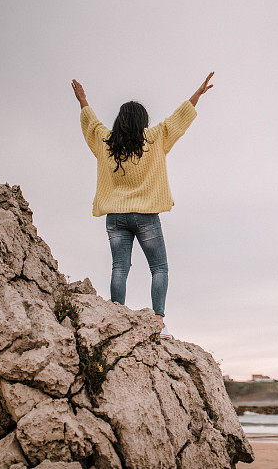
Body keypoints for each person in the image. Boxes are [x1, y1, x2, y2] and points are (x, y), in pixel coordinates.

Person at [71, 72, 214, 340]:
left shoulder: (106, 142)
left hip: (116, 216)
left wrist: (83, 100)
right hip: (146, 216)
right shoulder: (155, 138)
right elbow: (178, 119)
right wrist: (197, 95)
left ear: (120, 120)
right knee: (159, 268)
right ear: (143, 121)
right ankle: (159, 320)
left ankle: (115, 314)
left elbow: (91, 124)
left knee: (119, 268)